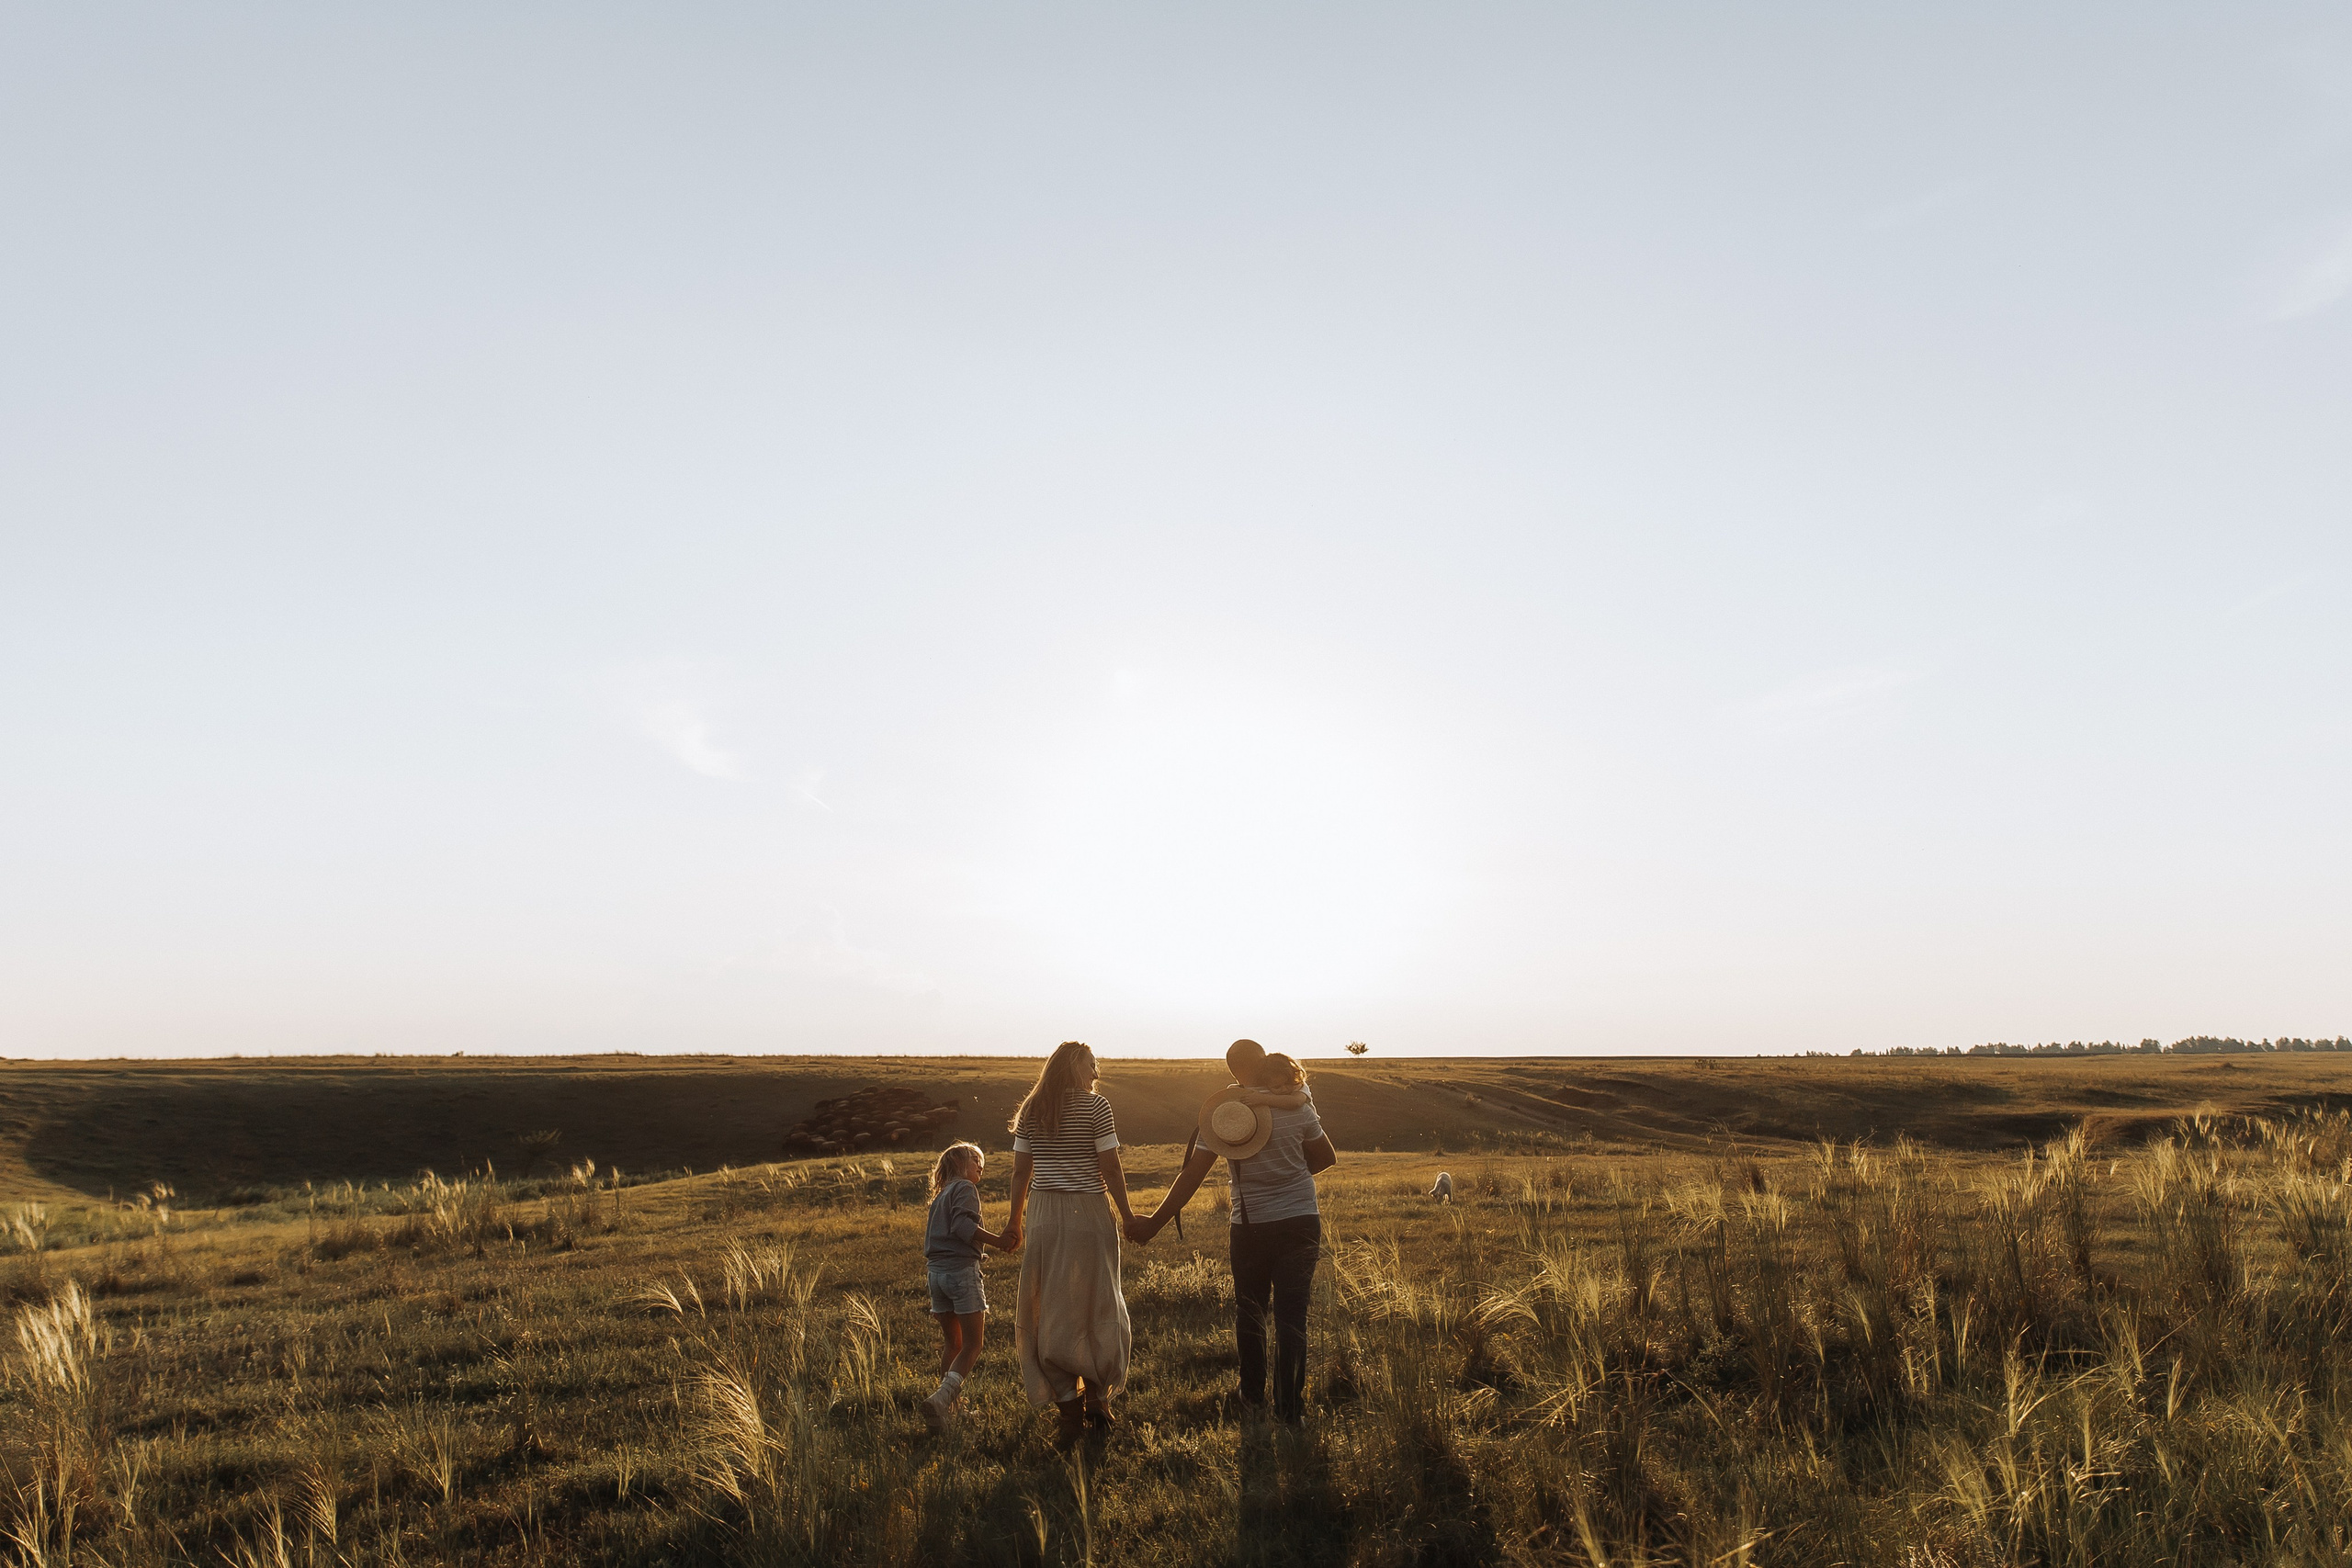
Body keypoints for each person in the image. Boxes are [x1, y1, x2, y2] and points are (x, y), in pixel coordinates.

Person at [1133, 1046, 1336, 1423]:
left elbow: (1192, 1174)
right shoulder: (1300, 1107)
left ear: (1233, 1069)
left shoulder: (1225, 1117)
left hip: (1250, 1225)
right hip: (1301, 1220)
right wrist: (1289, 1174)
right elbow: (1326, 1157)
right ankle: (1291, 1410)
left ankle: (1253, 1399)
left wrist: (1153, 1223)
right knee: (1292, 1317)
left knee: (1251, 1312)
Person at [1004, 1041, 1140, 1438]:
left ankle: (1069, 1412)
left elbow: (1019, 1174)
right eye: (1093, 1065)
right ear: (1076, 1068)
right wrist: (1129, 1216)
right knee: (1099, 1299)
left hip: (1044, 1213)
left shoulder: (1032, 1109)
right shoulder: (1096, 1107)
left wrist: (1015, 1222)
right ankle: (1097, 1399)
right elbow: (1110, 1167)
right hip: (1089, 1210)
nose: (1097, 1073)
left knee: (1050, 1307)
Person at [920, 1140, 1016, 1432]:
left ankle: (948, 1411)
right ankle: (941, 1399)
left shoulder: (940, 1195)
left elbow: (949, 1236)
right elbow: (963, 1228)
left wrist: (977, 1250)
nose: (980, 1167)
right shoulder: (965, 1188)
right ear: (960, 1162)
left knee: (954, 1343)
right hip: (961, 1275)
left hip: (936, 1276)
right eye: (975, 1159)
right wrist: (998, 1241)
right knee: (973, 1344)